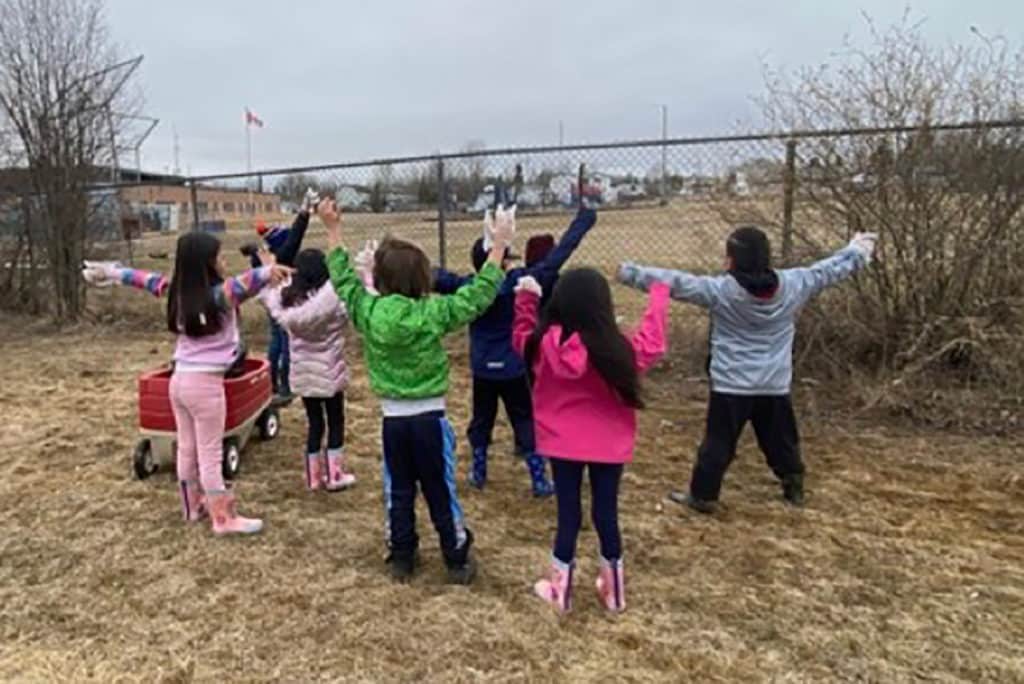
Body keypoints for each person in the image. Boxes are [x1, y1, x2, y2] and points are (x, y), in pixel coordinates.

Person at [617, 226, 878, 513]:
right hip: (774, 383)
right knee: (780, 439)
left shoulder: (720, 291)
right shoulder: (794, 283)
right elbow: (827, 270)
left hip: (731, 385)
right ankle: (793, 486)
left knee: (718, 443)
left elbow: (675, 282)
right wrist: (856, 251)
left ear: (732, 260)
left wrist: (628, 272)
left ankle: (703, 496)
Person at [321, 198, 513, 584]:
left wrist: (333, 229)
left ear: (380, 278)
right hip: (430, 419)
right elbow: (476, 296)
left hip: (393, 423)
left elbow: (342, 280)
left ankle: (402, 556)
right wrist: (499, 248)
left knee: (400, 489)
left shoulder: (368, 312)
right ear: (421, 279)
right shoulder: (431, 314)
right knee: (440, 488)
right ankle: (455, 557)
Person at [82, 233, 291, 535]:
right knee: (210, 453)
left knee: (188, 448)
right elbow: (242, 284)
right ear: (206, 263)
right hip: (205, 386)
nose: (223, 261)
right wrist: (266, 271)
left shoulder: (175, 292)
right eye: (219, 256)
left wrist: (109, 272)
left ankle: (192, 507)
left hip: (178, 382)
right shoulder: (218, 296)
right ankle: (223, 519)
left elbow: (140, 278)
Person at [512, 268, 668, 614]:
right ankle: (614, 594)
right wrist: (659, 295)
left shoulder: (544, 344)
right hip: (609, 446)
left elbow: (520, 336)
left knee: (568, 514)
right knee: (606, 512)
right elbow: (653, 343)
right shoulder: (617, 349)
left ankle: (560, 591)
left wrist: (526, 299)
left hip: (561, 443)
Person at [433, 206, 596, 496]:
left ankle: (478, 472)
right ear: (503, 259)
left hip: (483, 368)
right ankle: (539, 480)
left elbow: (435, 276)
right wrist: (583, 221)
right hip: (514, 367)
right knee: (524, 419)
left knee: (481, 418)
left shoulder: (470, 288)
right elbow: (557, 258)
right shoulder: (523, 282)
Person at [258, 248, 355, 492]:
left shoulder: (287, 300)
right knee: (335, 420)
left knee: (314, 423)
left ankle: (313, 477)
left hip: (303, 373)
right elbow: (349, 312)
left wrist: (269, 269)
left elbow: (269, 296)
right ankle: (335, 475)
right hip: (329, 372)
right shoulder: (332, 303)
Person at [241, 188, 320, 404]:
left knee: (275, 340)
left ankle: (272, 383)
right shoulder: (283, 258)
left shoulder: (262, 259)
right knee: (286, 342)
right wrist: (304, 212)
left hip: (270, 305)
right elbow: (296, 236)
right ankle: (285, 386)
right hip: (283, 303)